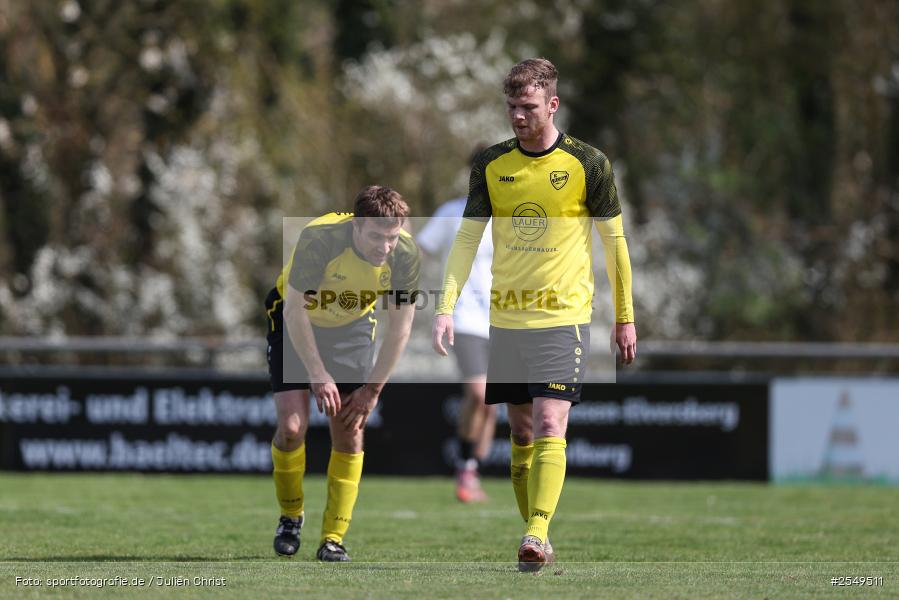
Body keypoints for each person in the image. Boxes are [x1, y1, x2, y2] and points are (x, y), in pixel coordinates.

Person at [432, 58, 636, 572]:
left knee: (550, 423)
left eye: (527, 107)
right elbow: (465, 240)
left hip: (564, 317)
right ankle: (535, 533)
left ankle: (537, 532)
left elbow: (615, 244)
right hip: (506, 320)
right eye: (511, 107)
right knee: (520, 434)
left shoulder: (589, 163)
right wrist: (445, 307)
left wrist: (625, 316)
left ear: (552, 104)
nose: (518, 117)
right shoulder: (492, 166)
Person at [265, 185, 420, 562]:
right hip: (294, 322)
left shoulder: (405, 255)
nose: (385, 247)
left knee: (350, 433)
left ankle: (332, 537)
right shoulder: (319, 239)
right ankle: (290, 515)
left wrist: (372, 391)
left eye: (392, 237)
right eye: (376, 237)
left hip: (351, 329)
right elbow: (294, 312)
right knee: (291, 428)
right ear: (356, 225)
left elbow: (400, 328)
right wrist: (318, 374)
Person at [417, 152, 496, 503]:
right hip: (464, 318)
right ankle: (465, 468)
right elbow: (419, 252)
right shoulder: (451, 213)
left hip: (505, 319)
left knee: (493, 403)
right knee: (479, 394)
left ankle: (472, 473)